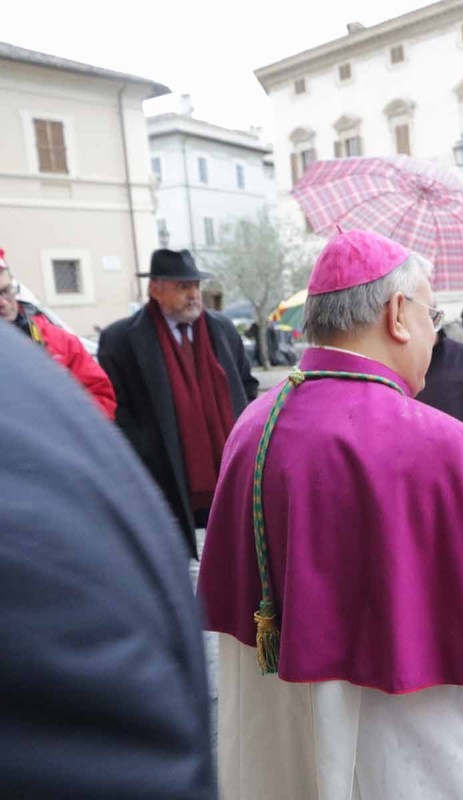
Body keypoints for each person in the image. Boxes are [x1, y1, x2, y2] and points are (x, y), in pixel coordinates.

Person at [197, 230, 463, 800]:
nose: (433, 329)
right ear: (398, 314)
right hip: (420, 752)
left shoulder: (254, 426)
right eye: (431, 314)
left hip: (288, 733)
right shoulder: (436, 443)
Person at [0, 323, 215, 798]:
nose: (4, 300)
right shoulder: (119, 337)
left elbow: (96, 389)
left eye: (7, 289)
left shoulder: (54, 342)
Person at [98, 248, 258, 559]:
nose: (193, 295)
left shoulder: (222, 330)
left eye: (196, 286)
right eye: (183, 287)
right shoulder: (120, 340)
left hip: (230, 481)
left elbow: (247, 385)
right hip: (168, 485)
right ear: (155, 289)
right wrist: (150, 449)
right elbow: (117, 410)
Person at [0, 250, 116, 419]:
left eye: (5, 291)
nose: (2, 303)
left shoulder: (58, 340)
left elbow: (100, 393)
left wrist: (73, 429)